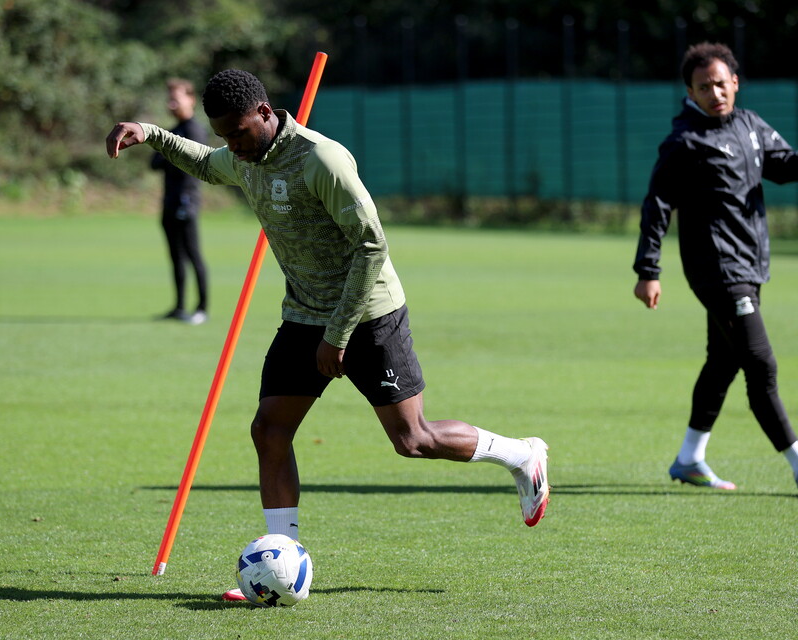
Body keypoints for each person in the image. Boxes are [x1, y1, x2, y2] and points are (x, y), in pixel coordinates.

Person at [106, 69, 550, 597]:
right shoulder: (244, 156)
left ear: (266, 114)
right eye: (225, 136)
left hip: (368, 316)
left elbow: (371, 246)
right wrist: (150, 133)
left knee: (413, 440)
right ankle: (280, 562)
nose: (233, 146)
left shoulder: (322, 159)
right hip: (303, 315)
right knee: (269, 430)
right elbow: (205, 163)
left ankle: (523, 455)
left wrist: (337, 335)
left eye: (240, 133)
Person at [633, 42, 798, 490]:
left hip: (750, 265)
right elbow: (657, 206)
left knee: (723, 361)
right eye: (704, 86)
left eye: (721, 84)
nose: (714, 93)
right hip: (717, 271)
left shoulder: (750, 125)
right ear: (690, 90)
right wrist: (648, 269)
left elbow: (783, 165)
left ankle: (689, 459)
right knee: (761, 366)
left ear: (735, 83)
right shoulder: (685, 142)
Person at [151, 78, 209, 325]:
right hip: (169, 202)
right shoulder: (172, 131)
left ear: (191, 100)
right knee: (175, 257)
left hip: (187, 203)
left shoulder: (194, 130)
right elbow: (154, 163)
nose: (172, 102)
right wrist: (170, 155)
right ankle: (179, 307)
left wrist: (168, 155)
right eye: (170, 98)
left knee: (193, 255)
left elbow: (194, 163)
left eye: (177, 97)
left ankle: (202, 309)